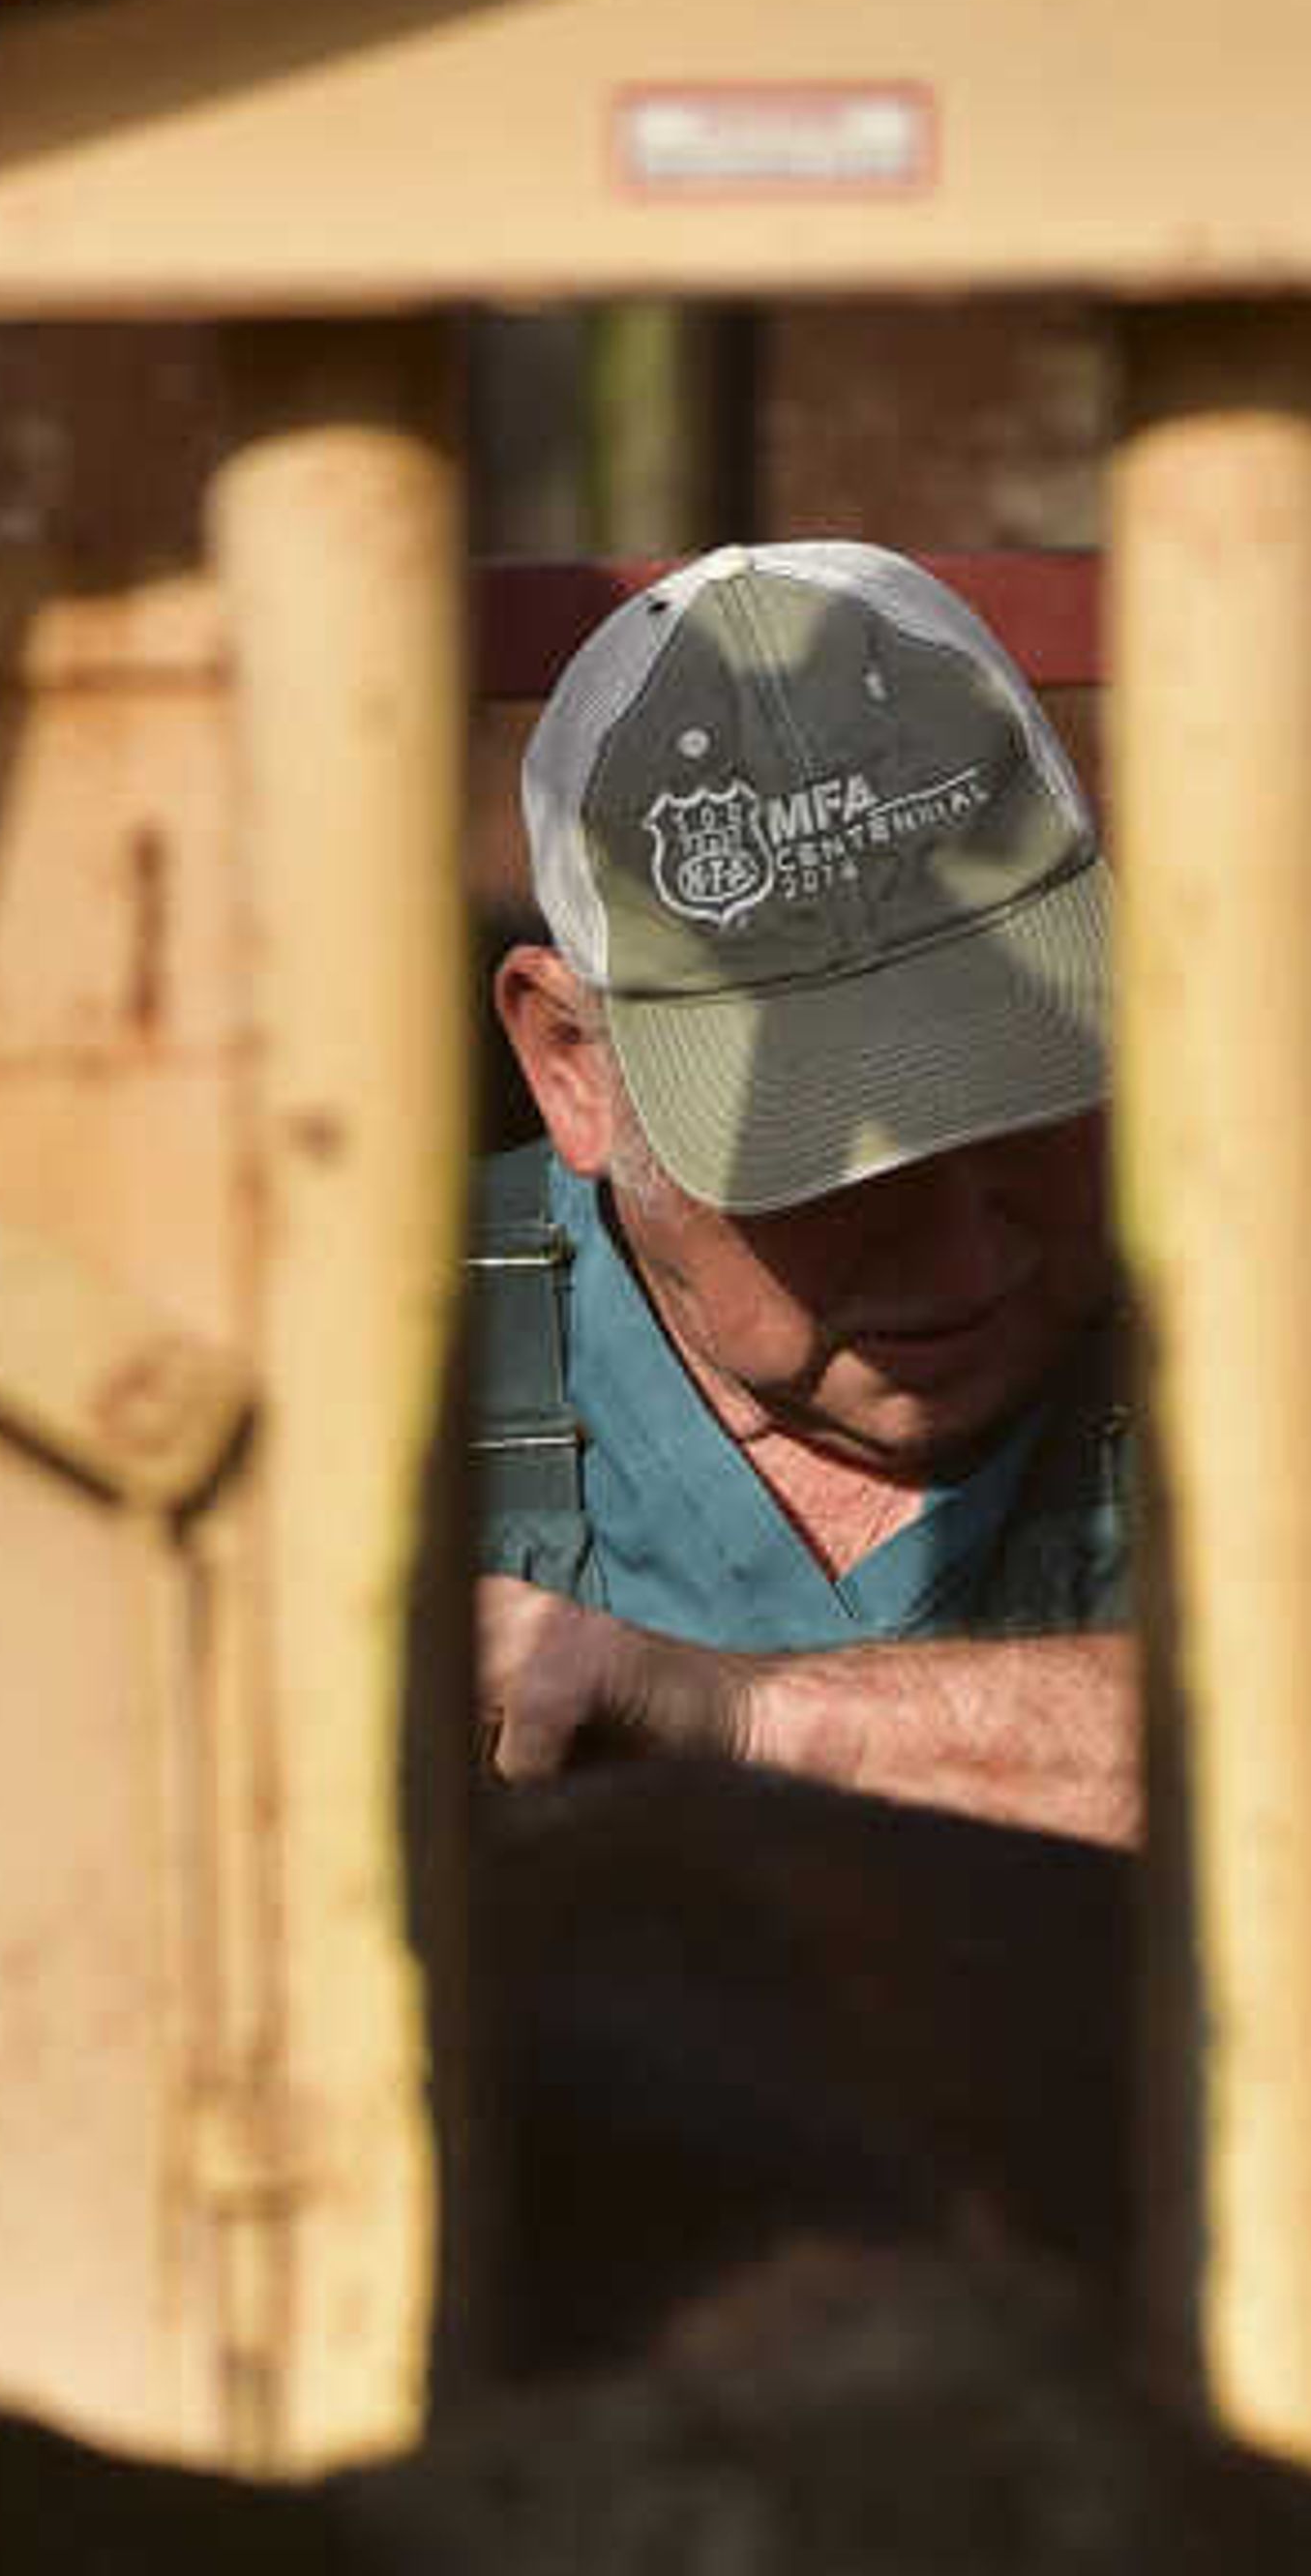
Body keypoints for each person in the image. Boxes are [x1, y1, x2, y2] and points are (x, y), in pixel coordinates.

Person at [473, 539, 1139, 1851]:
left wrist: (748, 1720)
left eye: (1024, 1111)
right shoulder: (364, 1389)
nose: (959, 1254)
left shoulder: (1300, 1289)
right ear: (572, 1069)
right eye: (831, 1167)